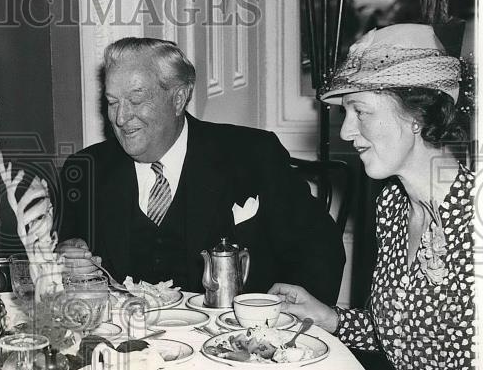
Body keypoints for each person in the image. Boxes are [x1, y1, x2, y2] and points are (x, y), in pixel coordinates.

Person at [270, 23, 474, 370]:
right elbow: (403, 330)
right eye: (344, 113)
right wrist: (331, 317)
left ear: (418, 113)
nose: (348, 130)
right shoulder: (390, 205)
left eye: (362, 111)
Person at [57, 37, 345, 305]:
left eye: (136, 100)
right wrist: (64, 258)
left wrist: (280, 326)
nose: (121, 118)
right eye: (112, 102)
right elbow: (61, 259)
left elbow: (321, 249)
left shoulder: (254, 154)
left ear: (179, 98)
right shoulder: (86, 170)